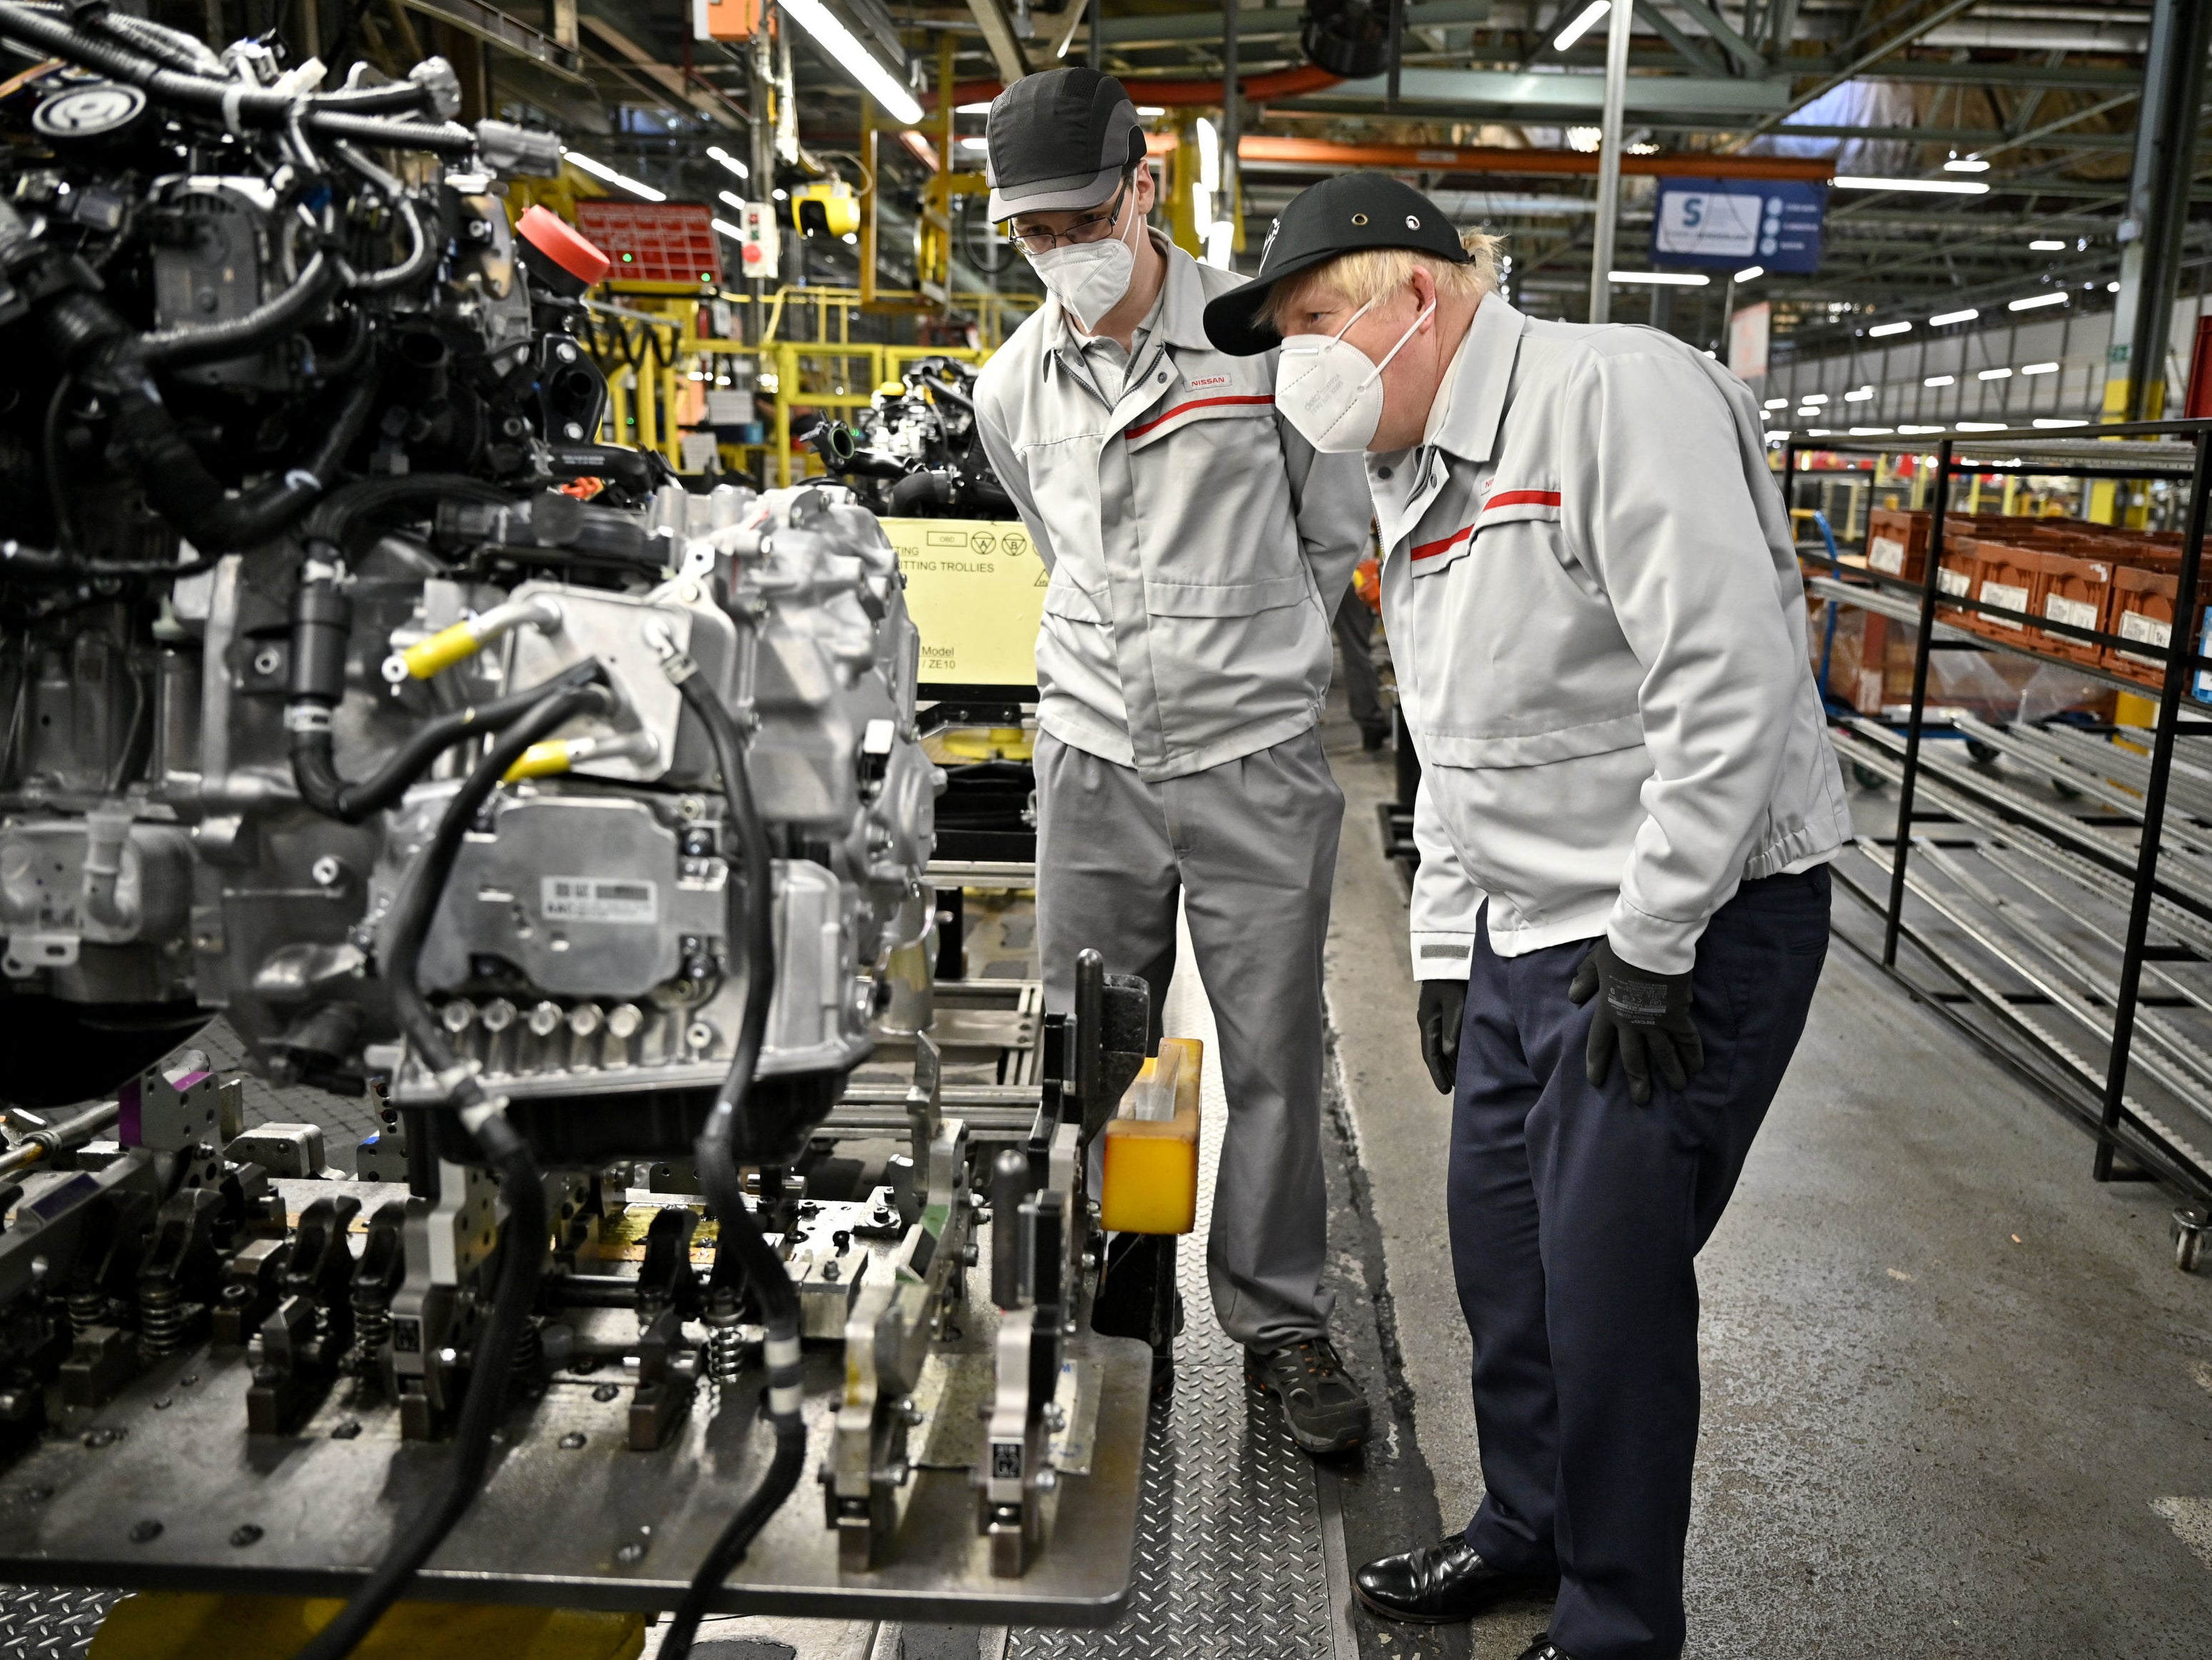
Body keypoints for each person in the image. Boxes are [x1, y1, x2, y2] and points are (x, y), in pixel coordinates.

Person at [1202, 173, 1852, 1660]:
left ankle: (1618, 1616)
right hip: (1520, 927)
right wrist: (1442, 944)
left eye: (1310, 319)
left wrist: (1653, 934)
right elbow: (1450, 730)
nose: (1294, 355)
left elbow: (1728, 680)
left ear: (1409, 295)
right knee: (1502, 1251)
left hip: (1678, 925)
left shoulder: (1610, 395)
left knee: (1606, 1283)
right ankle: (1526, 1523)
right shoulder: (1415, 462)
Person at [970, 71, 1376, 1453]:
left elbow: (1334, 527)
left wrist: (1264, 659)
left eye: (1081, 218)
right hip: (1091, 754)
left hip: (1253, 756)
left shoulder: (1258, 346)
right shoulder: (1007, 386)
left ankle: (1274, 1322)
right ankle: (1106, 1303)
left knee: (1267, 1049)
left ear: (1142, 188)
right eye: (1030, 235)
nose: (1061, 254)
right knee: (1095, 1052)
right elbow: (1051, 544)